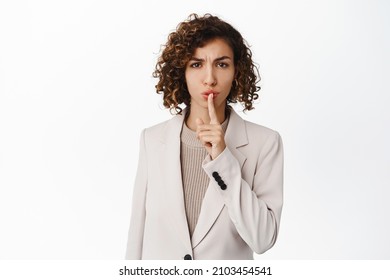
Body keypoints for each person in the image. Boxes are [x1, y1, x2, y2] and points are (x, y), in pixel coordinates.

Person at [125, 13, 283, 260]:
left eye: (222, 64)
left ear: (236, 71)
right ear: (181, 72)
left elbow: (263, 239)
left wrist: (222, 158)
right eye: (196, 64)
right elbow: (137, 235)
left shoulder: (265, 143)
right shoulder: (152, 140)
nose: (209, 78)